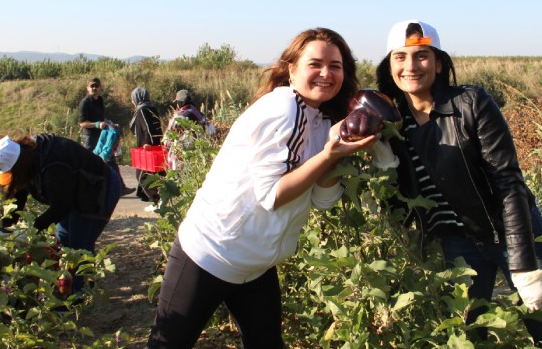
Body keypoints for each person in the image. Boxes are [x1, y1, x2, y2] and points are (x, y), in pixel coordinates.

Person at [146, 27, 377, 349]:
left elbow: (323, 200)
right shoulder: (282, 107)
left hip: (255, 264)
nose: (326, 73)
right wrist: (327, 154)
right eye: (315, 64)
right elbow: (271, 196)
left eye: (336, 66)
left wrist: (335, 155)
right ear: (292, 69)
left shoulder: (325, 121)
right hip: (210, 252)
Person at [374, 20, 542, 346]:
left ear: (438, 62)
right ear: (389, 65)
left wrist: (523, 263)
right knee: (466, 334)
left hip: (511, 232)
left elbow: (508, 182)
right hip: (456, 245)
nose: (411, 66)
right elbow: (396, 193)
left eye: (421, 56)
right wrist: (381, 155)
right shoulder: (390, 122)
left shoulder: (471, 104)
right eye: (400, 57)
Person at [0, 134, 122, 293]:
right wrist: (5, 228)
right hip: (74, 190)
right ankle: (70, 290)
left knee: (78, 247)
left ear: (19, 165)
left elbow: (60, 207)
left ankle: (79, 296)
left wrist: (30, 231)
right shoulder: (26, 158)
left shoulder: (53, 164)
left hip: (98, 188)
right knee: (64, 242)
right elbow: (17, 195)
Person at [78, 77, 135, 196]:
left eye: (96, 86)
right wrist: (96, 124)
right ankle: (86, 190)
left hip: (103, 136)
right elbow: (82, 123)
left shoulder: (100, 100)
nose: (94, 88)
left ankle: (120, 188)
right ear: (87, 88)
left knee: (110, 161)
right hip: (90, 138)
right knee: (89, 163)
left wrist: (109, 123)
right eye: (92, 86)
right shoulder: (85, 103)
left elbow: (102, 117)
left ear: (100, 88)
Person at [129, 87, 164, 211]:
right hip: (153, 146)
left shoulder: (143, 110)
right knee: (155, 174)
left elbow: (149, 128)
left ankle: (156, 201)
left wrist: (149, 143)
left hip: (147, 148)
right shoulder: (151, 108)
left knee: (143, 175)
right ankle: (157, 201)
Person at [163, 89, 216, 170]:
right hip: (196, 160)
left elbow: (167, 141)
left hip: (179, 160)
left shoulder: (178, 117)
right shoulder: (200, 115)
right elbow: (212, 131)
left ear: (179, 103)